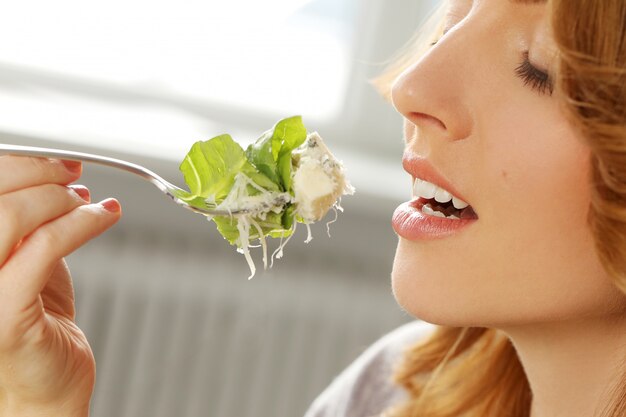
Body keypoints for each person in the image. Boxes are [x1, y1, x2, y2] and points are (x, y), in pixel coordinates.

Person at [1, 0, 625, 416]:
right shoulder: (392, 392)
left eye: (539, 67)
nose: (411, 87)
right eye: (454, 14)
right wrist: (36, 404)